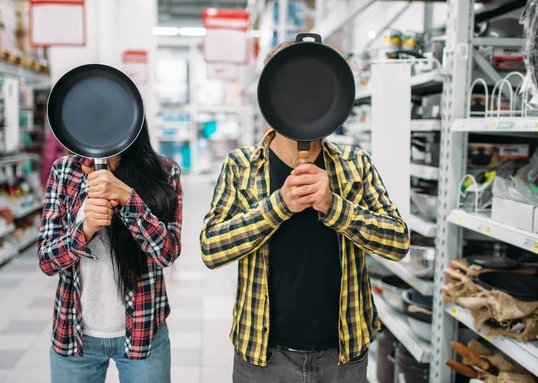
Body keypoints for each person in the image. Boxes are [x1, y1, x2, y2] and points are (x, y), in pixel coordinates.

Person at [200, 41, 410, 383]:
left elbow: (398, 242)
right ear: (272, 97)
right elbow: (211, 249)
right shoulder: (241, 166)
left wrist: (334, 207)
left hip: (343, 355)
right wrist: (277, 205)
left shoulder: (355, 164)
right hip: (263, 357)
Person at [37, 121, 182, 383]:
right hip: (75, 335)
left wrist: (128, 199)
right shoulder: (65, 171)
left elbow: (167, 253)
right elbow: (47, 260)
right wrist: (84, 230)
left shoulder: (164, 171)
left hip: (144, 331)